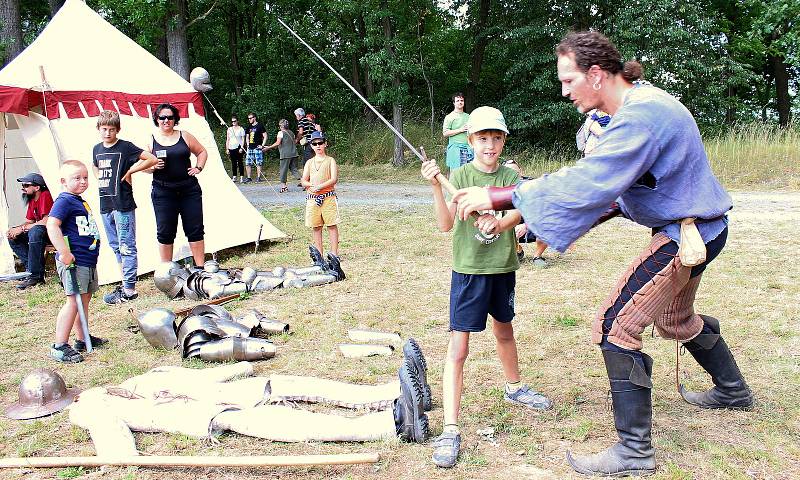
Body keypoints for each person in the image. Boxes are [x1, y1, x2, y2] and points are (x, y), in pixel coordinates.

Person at [451, 31, 754, 477]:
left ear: (595, 74)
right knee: (673, 319)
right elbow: (610, 198)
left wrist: (497, 196)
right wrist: (520, 220)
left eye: (569, 79)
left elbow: (590, 182)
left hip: (684, 236)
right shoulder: (640, 106)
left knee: (616, 325)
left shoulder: (641, 117)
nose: (564, 90)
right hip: (703, 231)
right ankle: (732, 390)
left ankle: (634, 451)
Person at [420, 106, 553, 469]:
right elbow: (446, 225)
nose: (490, 145)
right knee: (459, 348)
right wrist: (436, 186)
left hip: (503, 268)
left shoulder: (511, 176)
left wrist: (502, 221)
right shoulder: (459, 176)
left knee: (505, 331)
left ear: (504, 140)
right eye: (482, 138)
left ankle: (514, 388)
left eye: (496, 138)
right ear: (470, 141)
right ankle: (450, 427)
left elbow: (523, 212)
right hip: (468, 272)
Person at [92, 110, 158, 305]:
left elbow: (151, 159)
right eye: (104, 129)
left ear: (117, 130)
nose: (107, 133)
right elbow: (95, 166)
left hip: (123, 203)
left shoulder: (125, 147)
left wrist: (131, 170)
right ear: (99, 129)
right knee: (115, 246)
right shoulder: (97, 149)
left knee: (127, 246)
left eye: (111, 130)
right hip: (106, 204)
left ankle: (129, 289)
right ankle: (124, 283)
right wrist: (100, 180)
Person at [45, 160, 105, 363]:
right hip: (74, 261)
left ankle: (82, 338)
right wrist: (64, 252)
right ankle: (60, 345)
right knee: (73, 301)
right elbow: (52, 226)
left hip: (87, 260)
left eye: (85, 177)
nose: (83, 181)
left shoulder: (79, 200)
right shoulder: (64, 200)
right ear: (63, 181)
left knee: (84, 299)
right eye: (77, 178)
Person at [148, 103, 208, 268]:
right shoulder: (150, 140)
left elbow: (202, 151)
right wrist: (152, 167)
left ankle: (200, 268)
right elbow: (142, 166)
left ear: (175, 119)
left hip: (189, 189)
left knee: (194, 228)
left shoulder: (185, 136)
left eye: (170, 117)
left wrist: (198, 167)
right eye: (162, 117)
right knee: (165, 231)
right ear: (157, 119)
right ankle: (166, 270)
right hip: (163, 191)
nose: (166, 120)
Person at [7, 173, 53, 289]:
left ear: (37, 187)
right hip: (40, 233)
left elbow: (47, 221)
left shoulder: (45, 195)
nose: (23, 188)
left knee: (35, 231)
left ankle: (36, 276)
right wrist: (16, 230)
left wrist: (22, 228)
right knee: (14, 236)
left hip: (54, 234)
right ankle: (30, 271)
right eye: (23, 185)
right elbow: (29, 222)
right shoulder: (32, 199)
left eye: (26, 185)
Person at [502, 160, 549, 267]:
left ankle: (537, 256)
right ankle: (517, 250)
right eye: (508, 172)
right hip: (510, 226)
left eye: (514, 171)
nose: (512, 175)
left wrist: (526, 226)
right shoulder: (499, 188)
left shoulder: (533, 187)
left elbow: (545, 212)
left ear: (521, 172)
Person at [301, 131, 340, 258]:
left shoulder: (330, 160)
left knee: (331, 225)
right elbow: (303, 180)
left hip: (328, 197)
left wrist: (320, 186)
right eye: (315, 143)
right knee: (316, 226)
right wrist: (311, 186)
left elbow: (333, 179)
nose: (318, 146)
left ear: (325, 144)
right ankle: (319, 255)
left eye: (320, 143)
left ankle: (334, 253)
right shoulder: (309, 163)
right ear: (311, 146)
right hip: (313, 199)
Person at [264, 119, 300, 193]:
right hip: (294, 153)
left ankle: (284, 187)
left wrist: (267, 148)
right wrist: (270, 146)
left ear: (281, 126)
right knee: (294, 170)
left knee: (283, 170)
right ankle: (304, 182)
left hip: (285, 154)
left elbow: (278, 143)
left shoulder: (280, 133)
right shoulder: (292, 132)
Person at [442, 93, 473, 171]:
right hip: (456, 149)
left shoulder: (468, 116)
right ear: (454, 103)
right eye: (457, 100)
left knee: (469, 173)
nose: (460, 102)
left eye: (462, 100)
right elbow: (445, 133)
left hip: (469, 148)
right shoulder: (449, 117)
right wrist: (460, 130)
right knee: (456, 173)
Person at [243, 112, 267, 183]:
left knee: (258, 163)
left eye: (250, 118)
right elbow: (247, 136)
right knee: (248, 163)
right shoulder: (249, 127)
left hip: (257, 147)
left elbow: (265, 136)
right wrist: (247, 144)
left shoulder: (260, 126)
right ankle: (249, 177)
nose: (249, 120)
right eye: (248, 118)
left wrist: (262, 145)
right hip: (250, 147)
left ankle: (259, 177)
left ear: (254, 118)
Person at [226, 116, 246, 183]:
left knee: (240, 162)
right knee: (233, 162)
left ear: (237, 121)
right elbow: (228, 139)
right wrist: (227, 148)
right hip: (231, 147)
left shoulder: (241, 129)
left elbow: (243, 139)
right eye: (232, 121)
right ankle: (234, 176)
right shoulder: (229, 129)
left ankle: (241, 177)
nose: (233, 122)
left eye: (234, 121)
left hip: (238, 147)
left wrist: (242, 147)